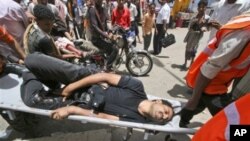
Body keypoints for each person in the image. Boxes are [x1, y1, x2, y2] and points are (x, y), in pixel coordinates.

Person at [22, 52, 174, 124]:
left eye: (166, 119)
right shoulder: (137, 87)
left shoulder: (136, 119)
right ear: (158, 100)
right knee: (31, 59)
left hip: (81, 101)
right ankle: (48, 79)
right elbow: (104, 77)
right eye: (167, 111)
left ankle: (29, 74)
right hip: (84, 79)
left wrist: (71, 110)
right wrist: (69, 88)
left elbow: (103, 116)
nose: (165, 116)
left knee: (32, 100)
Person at [179, 11, 250, 127]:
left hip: (218, 81)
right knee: (233, 124)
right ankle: (176, 119)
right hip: (211, 83)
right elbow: (211, 66)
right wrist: (194, 97)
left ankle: (179, 120)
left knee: (198, 104)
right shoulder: (244, 35)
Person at [87, 0, 118, 71]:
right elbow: (95, 26)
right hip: (96, 38)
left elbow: (107, 21)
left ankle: (107, 61)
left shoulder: (103, 9)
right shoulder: (92, 10)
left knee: (114, 44)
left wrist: (111, 30)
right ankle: (107, 67)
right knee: (114, 49)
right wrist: (106, 35)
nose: (100, 1)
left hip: (103, 36)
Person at [181, 0, 209, 70]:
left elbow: (207, 27)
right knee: (187, 49)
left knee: (194, 50)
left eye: (203, 7)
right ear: (197, 8)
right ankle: (185, 63)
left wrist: (204, 28)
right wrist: (194, 22)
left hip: (197, 37)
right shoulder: (194, 15)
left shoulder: (207, 18)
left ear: (206, 8)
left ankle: (191, 64)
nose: (201, 8)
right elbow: (189, 27)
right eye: (200, 7)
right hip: (191, 35)